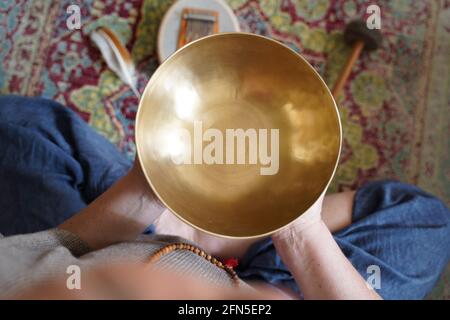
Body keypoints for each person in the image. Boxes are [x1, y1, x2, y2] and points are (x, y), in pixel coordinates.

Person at [0, 95, 448, 299]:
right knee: (428, 228)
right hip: (287, 282)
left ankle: (216, 235)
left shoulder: (12, 275)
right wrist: (299, 231)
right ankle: (253, 249)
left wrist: (146, 191)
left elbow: (62, 246)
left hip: (144, 236)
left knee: (26, 132)